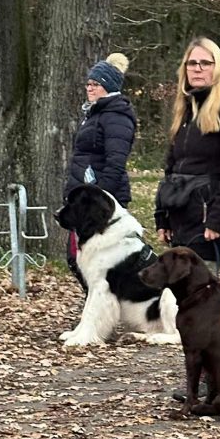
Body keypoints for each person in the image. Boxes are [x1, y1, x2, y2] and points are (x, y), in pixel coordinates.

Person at [155, 37, 220, 276]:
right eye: (192, 63)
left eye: (205, 63)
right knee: (177, 291)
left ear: (217, 67)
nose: (197, 68)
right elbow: (171, 167)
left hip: (208, 220)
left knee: (200, 291)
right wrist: (162, 216)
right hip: (180, 215)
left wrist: (218, 218)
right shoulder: (185, 109)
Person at [64, 52, 136, 287]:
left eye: (96, 84)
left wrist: (99, 198)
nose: (90, 88)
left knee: (98, 263)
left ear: (109, 86)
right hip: (86, 198)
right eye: (88, 84)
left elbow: (115, 162)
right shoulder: (95, 114)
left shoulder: (116, 116)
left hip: (101, 202)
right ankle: (98, 301)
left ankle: (107, 302)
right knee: (78, 258)